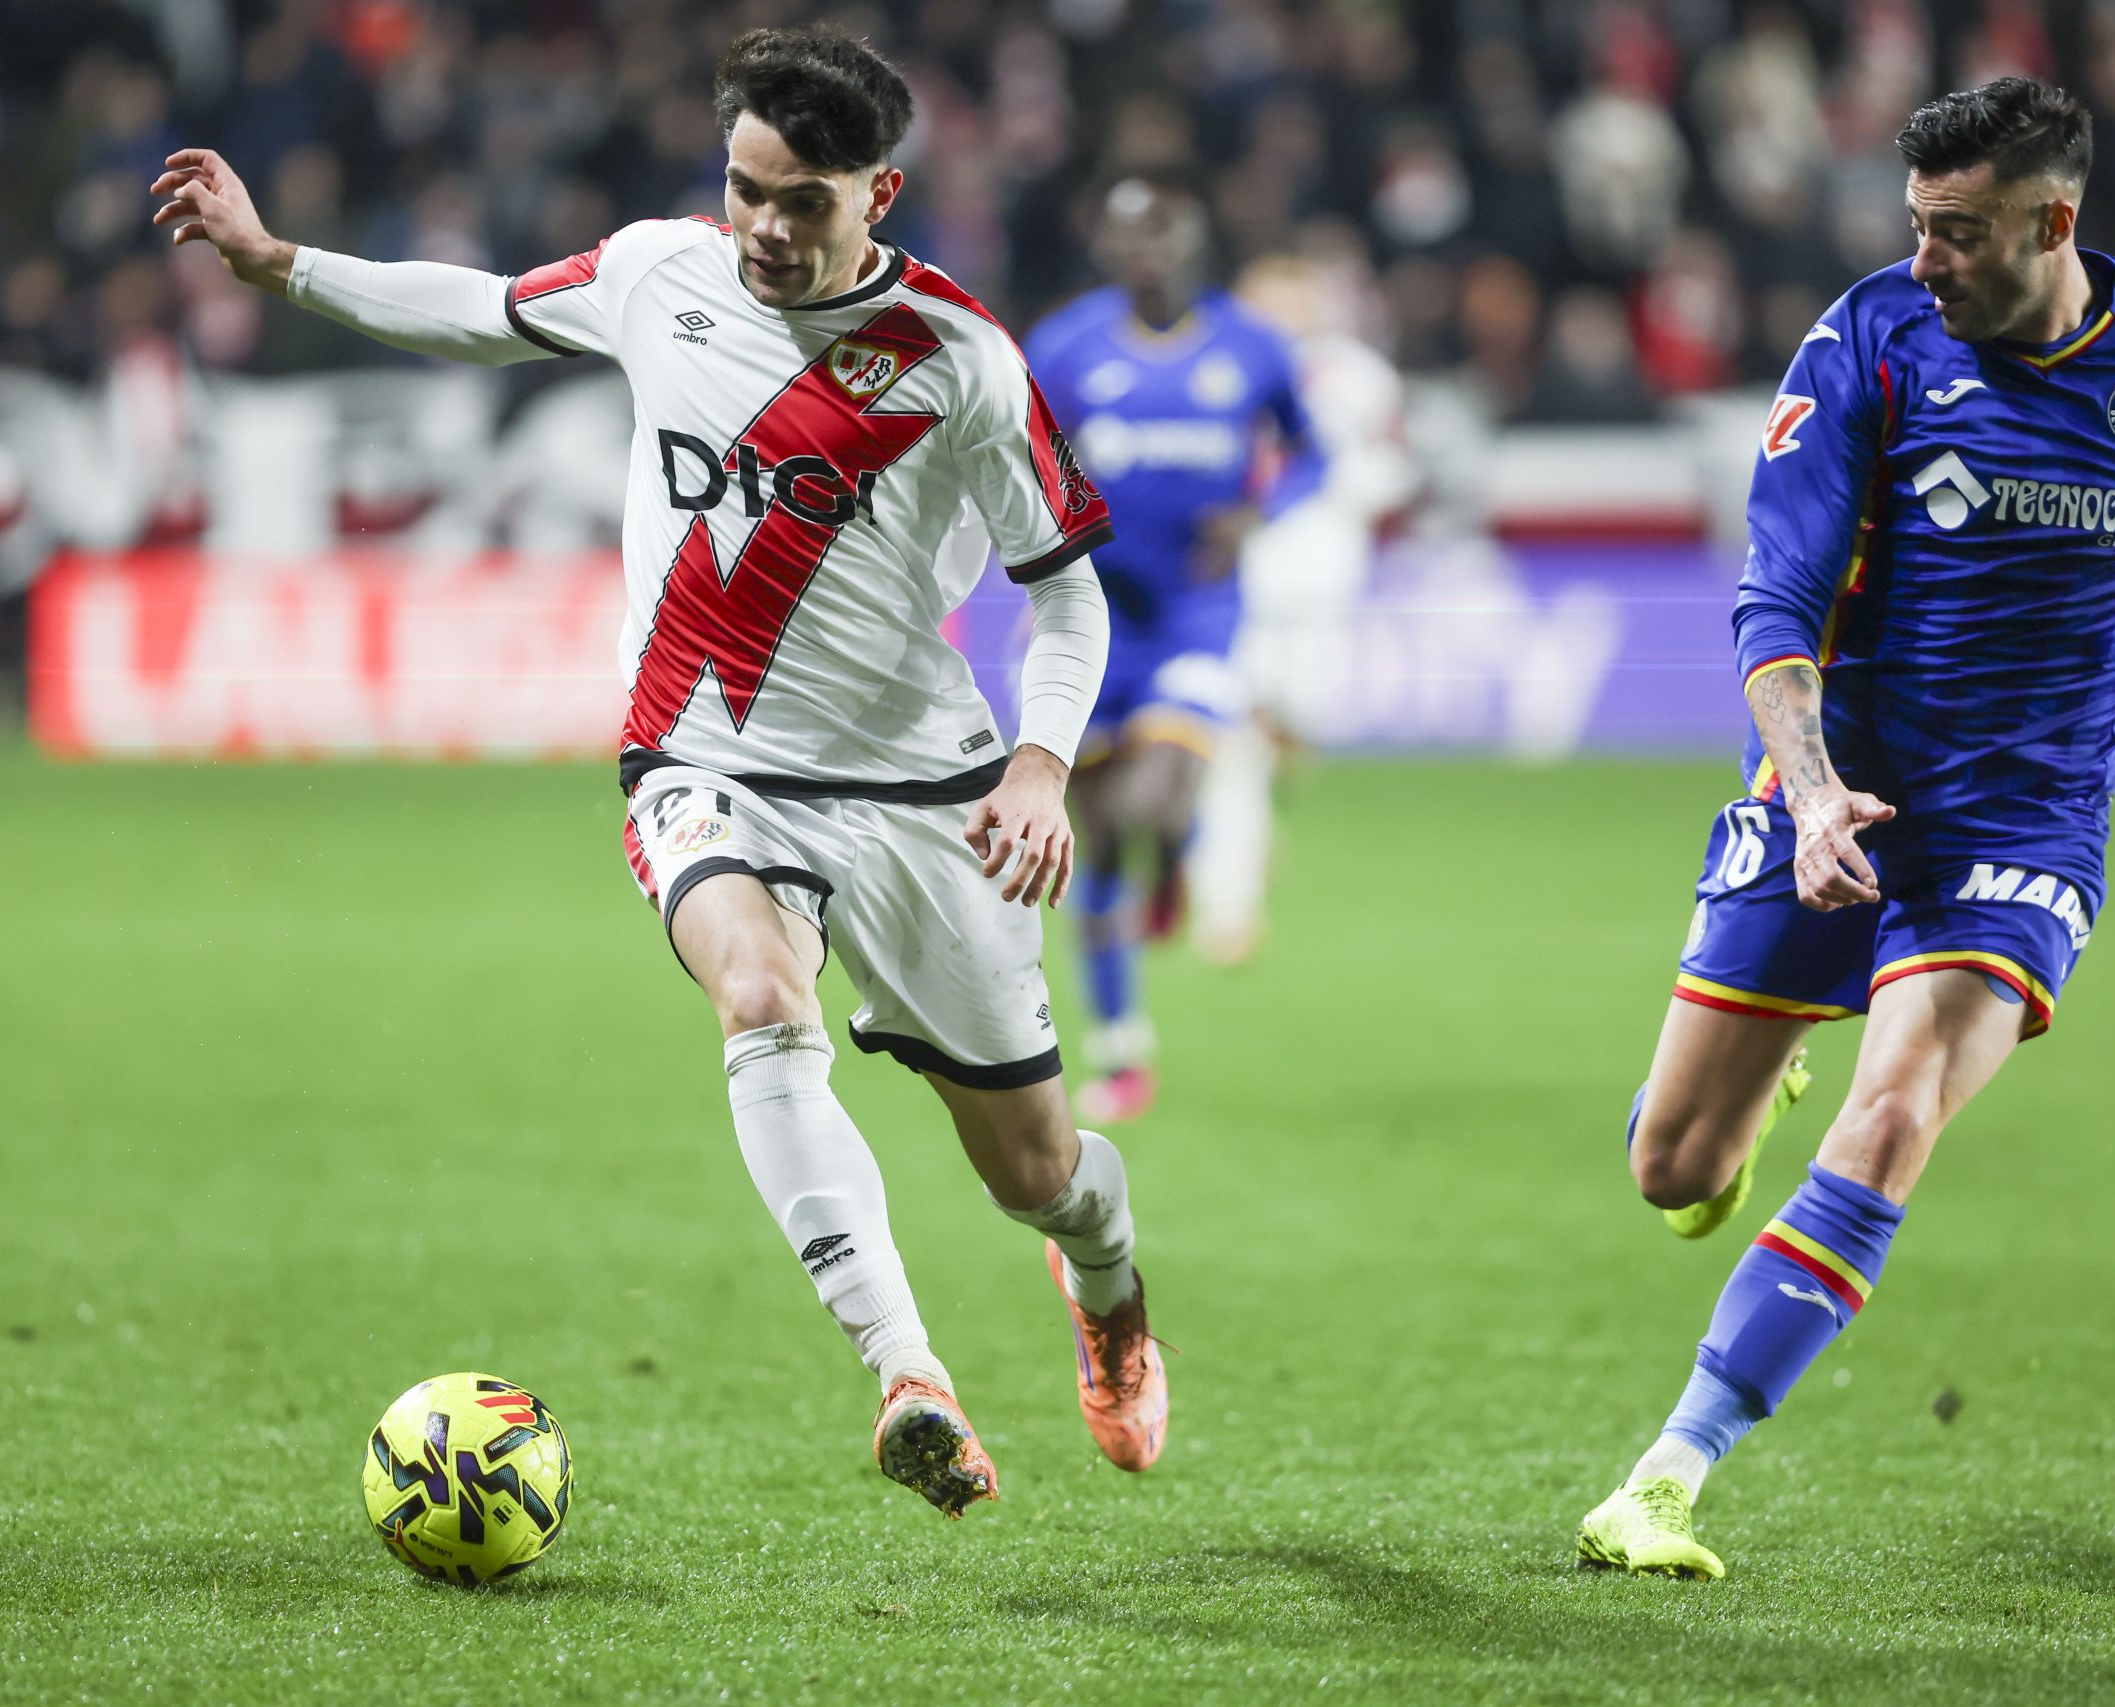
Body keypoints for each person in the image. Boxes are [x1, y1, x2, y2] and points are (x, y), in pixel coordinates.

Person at [152, 25, 1169, 1518]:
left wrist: (1039, 764)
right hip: (704, 761)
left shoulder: (960, 360)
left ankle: (1108, 1283)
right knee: (758, 997)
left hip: (921, 791)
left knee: (1035, 1172)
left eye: (806, 202)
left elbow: (1067, 595)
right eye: (748, 188)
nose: (767, 228)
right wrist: (279, 261)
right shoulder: (658, 273)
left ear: (878, 194)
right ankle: (908, 1371)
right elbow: (485, 310)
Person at [1580, 77, 2115, 1579]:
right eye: (1916, 225)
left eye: (1957, 232)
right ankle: (1750, 1088)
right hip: (1839, 786)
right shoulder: (1868, 343)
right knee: (1674, 1168)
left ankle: (1666, 1476)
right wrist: (1809, 789)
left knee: (1893, 1116)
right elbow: (1776, 598)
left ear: (2053, 224)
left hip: (2026, 824)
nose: (1924, 259)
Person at [1023, 172, 1320, 1122]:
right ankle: (1122, 1052)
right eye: (1128, 235)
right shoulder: (1066, 348)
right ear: (1107, 248)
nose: (1145, 250)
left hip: (1198, 611)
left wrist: (1259, 512)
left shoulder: (1252, 347)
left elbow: (1313, 453)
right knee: (1098, 843)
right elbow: (1018, 456)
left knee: (1153, 794)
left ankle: (1182, 850)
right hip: (1090, 616)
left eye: (1162, 231)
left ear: (1193, 238)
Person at [1187, 251, 1416, 968]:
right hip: (1240, 580)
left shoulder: (1362, 377)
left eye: (1294, 299)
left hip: (1323, 582)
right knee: (1234, 745)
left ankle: (1258, 819)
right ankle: (1227, 908)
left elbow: (1396, 467)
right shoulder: (1218, 365)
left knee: (1299, 725)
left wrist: (1346, 484)